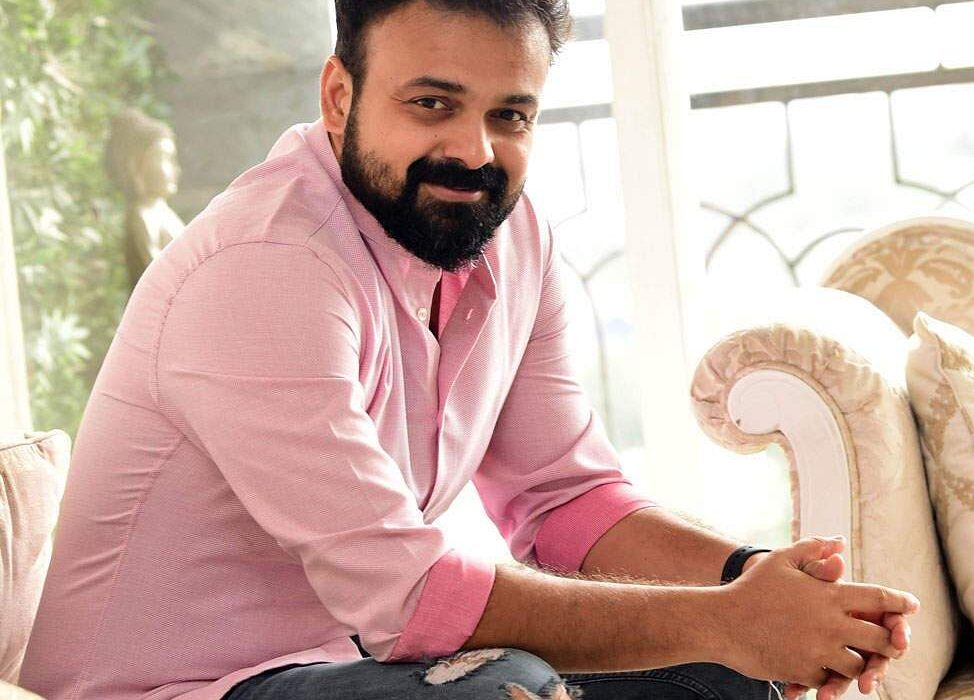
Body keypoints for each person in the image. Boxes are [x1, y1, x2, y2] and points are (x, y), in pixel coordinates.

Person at [19, 2, 920, 699]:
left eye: (511, 115)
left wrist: (754, 584)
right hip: (181, 689)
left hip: (353, 665)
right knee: (506, 689)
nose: (473, 150)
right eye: (432, 104)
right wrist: (729, 620)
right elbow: (410, 599)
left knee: (727, 677)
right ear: (339, 97)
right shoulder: (263, 266)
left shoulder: (511, 239)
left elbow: (567, 501)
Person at [104, 108, 185, 294]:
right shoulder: (142, 216)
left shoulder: (162, 212)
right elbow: (157, 280)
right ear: (136, 165)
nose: (175, 169)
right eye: (164, 158)